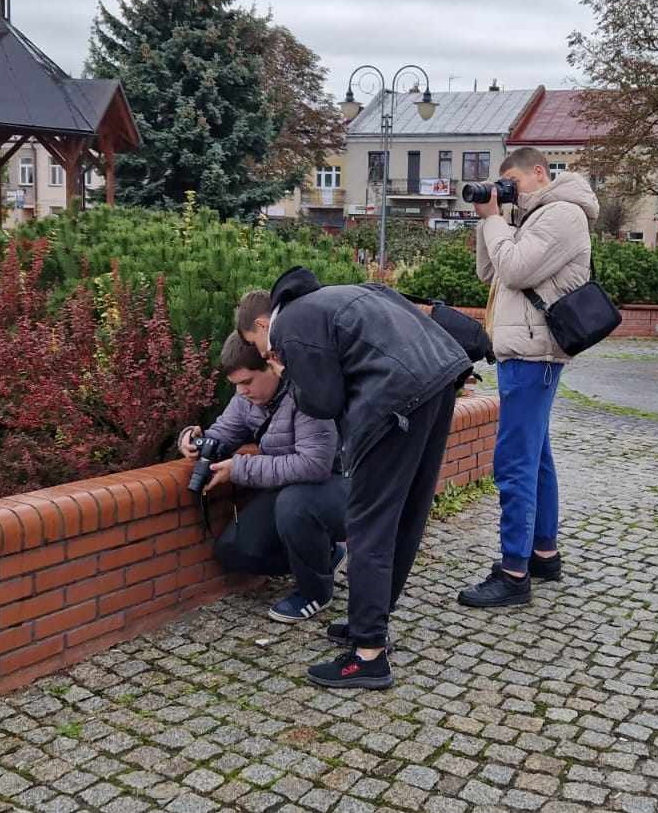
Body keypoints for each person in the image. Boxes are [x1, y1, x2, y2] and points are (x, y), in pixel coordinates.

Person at [238, 273, 471, 689]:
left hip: (396, 400)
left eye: (256, 345)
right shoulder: (337, 296)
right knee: (406, 513)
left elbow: (323, 403)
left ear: (261, 324)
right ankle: (372, 623)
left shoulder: (289, 324)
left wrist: (283, 366)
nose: (262, 352)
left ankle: (368, 655)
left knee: (369, 523)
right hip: (438, 380)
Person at [460, 147, 599, 608]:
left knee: (514, 461)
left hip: (534, 355)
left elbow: (516, 269)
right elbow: (490, 270)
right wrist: (491, 217)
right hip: (525, 353)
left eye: (512, 183)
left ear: (539, 173)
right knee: (536, 456)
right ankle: (543, 553)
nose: (507, 192)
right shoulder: (531, 217)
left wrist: (497, 218)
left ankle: (513, 572)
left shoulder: (563, 215)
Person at [179, 332, 347, 623]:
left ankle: (315, 592)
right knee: (235, 551)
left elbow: (314, 465)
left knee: (295, 504)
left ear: (272, 366)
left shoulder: (307, 394)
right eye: (236, 385)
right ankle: (326, 555)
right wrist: (194, 440)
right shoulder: (246, 398)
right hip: (290, 490)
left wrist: (240, 469)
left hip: (341, 486)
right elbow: (224, 434)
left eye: (247, 382)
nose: (242, 391)